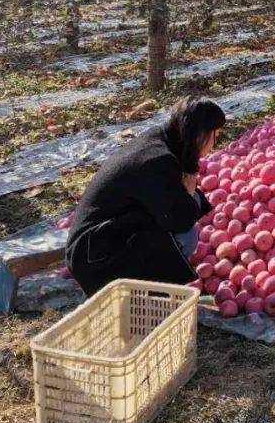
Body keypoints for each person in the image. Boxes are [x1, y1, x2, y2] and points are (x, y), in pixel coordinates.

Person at [66, 96, 226, 296]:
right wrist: (190, 191)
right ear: (200, 135)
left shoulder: (159, 142)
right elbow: (179, 221)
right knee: (186, 236)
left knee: (184, 214)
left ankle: (143, 285)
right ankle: (140, 292)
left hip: (96, 242)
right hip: (93, 258)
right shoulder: (158, 160)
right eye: (215, 135)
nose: (215, 143)